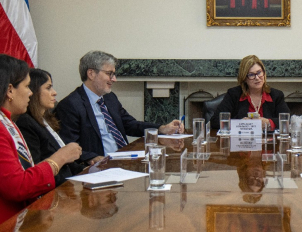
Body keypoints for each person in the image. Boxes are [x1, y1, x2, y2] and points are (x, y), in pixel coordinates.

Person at [55, 51, 184, 165]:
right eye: (109, 74)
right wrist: (93, 158)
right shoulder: (70, 105)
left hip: (123, 160)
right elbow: (68, 146)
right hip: (99, 167)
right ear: (91, 73)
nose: (114, 79)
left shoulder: (110, 98)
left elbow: (130, 124)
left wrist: (162, 128)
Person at [0, 54, 81, 223]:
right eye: (27, 86)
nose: (31, 93)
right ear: (9, 90)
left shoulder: (8, 121)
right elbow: (18, 186)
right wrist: (60, 158)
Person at [16, 69, 86, 186]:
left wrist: (89, 170)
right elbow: (37, 169)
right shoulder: (26, 123)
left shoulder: (45, 119)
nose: (54, 93)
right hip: (53, 190)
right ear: (33, 90)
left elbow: (68, 163)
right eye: (48, 88)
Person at [210, 55, 290, 130]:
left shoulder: (276, 95)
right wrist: (240, 123)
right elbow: (215, 121)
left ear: (264, 73)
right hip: (242, 142)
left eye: (259, 72)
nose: (257, 78)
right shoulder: (233, 94)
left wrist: (268, 123)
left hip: (268, 141)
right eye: (251, 75)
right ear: (244, 78)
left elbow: (287, 120)